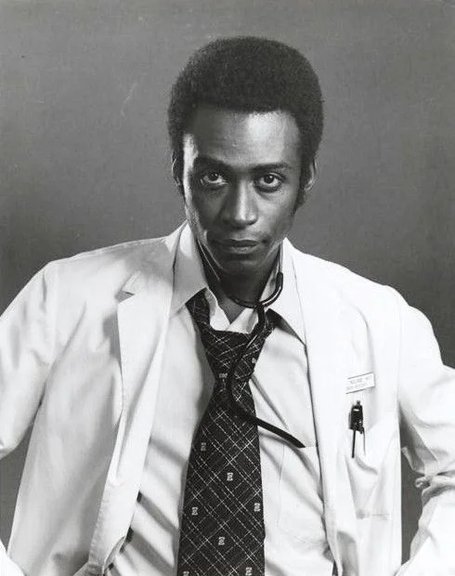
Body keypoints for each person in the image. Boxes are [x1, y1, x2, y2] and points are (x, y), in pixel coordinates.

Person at [0, 36, 454, 576]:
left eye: (268, 180)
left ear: (306, 178)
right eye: (214, 176)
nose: (240, 213)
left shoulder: (380, 321)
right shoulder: (66, 297)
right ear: (179, 169)